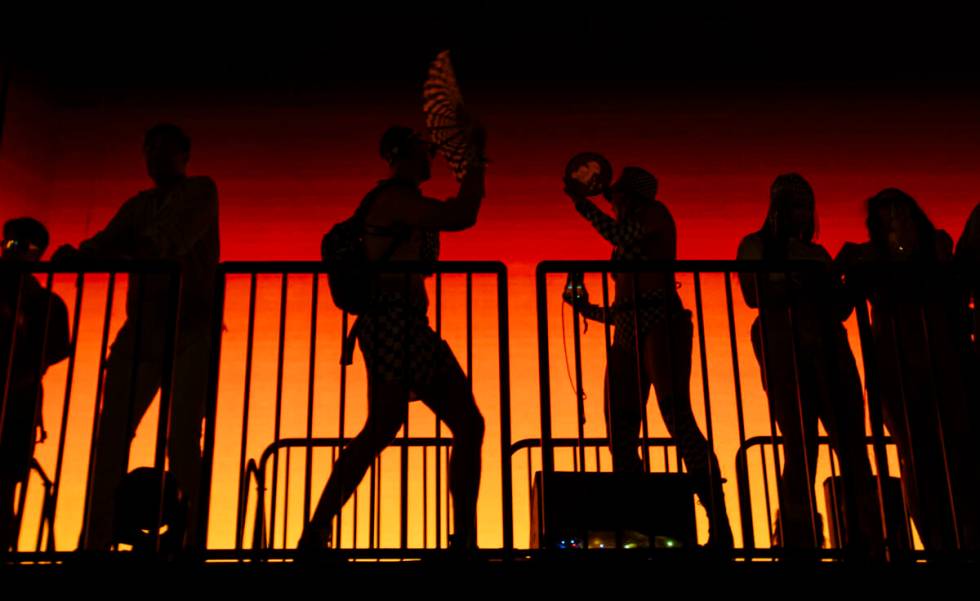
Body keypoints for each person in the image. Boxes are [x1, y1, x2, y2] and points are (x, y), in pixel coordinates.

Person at [299, 124, 487, 551]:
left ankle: (316, 531)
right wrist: (476, 165)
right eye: (424, 152)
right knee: (403, 426)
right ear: (402, 155)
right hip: (393, 324)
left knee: (428, 425)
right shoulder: (395, 200)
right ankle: (316, 532)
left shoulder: (397, 201)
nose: (430, 160)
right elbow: (462, 216)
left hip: (405, 326)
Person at [53, 123, 219, 551]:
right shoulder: (139, 204)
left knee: (181, 437)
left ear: (184, 155)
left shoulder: (200, 192)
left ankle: (191, 540)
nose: (154, 159)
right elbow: (111, 240)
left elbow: (162, 242)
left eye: (164, 151)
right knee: (112, 434)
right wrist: (83, 254)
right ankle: (95, 537)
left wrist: (104, 253)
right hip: (144, 327)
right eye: (149, 151)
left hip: (191, 327)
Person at [562, 166, 734, 548]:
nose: (615, 202)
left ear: (634, 197)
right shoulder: (629, 232)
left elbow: (618, 235)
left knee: (676, 412)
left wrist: (581, 203)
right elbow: (622, 308)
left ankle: (717, 516)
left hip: (662, 319)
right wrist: (585, 308)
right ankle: (637, 520)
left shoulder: (655, 215)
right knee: (620, 428)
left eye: (618, 196)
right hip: (629, 327)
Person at [737, 173, 881, 554]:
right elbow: (755, 294)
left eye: (803, 204)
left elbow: (838, 307)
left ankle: (864, 536)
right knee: (800, 446)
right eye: (789, 203)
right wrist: (816, 280)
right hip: (786, 347)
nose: (797, 212)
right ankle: (800, 539)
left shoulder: (816, 254)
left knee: (851, 445)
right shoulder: (755, 245)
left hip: (830, 347)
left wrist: (849, 276)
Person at [837, 188, 980, 551]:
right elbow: (840, 304)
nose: (896, 222)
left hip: (947, 362)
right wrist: (840, 267)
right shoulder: (869, 257)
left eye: (901, 212)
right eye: (886, 217)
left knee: (960, 452)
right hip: (897, 370)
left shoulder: (937, 247)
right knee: (917, 456)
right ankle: (938, 542)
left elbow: (956, 293)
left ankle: (966, 536)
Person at [0, 217, 70, 550]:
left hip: (18, 399)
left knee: (4, 486)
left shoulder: (47, 304)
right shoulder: (46, 302)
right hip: (20, 395)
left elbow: (53, 350)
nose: (12, 253)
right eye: (9, 244)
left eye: (22, 247)